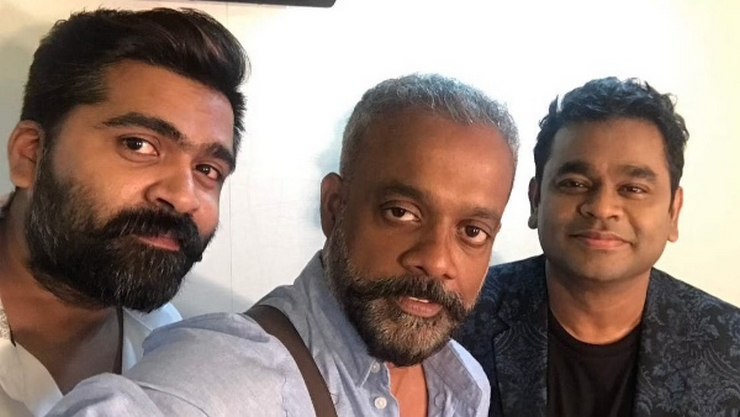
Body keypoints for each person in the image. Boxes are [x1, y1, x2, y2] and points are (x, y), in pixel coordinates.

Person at [48, 73, 520, 417]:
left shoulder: (463, 382)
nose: (436, 260)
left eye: (472, 232)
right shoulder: (238, 374)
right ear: (334, 207)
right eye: (401, 212)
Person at [0, 8, 248, 416]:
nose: (183, 197)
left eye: (207, 170)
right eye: (139, 145)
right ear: (31, 155)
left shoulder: (169, 348)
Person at [456, 77, 740, 417]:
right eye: (575, 183)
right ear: (536, 200)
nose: (602, 208)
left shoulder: (731, 345)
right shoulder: (455, 317)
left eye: (633, 189)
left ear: (673, 212)